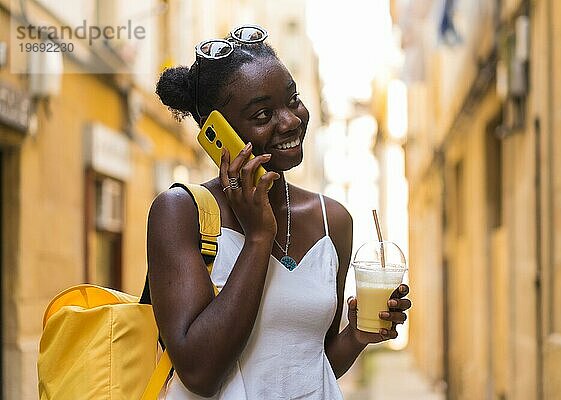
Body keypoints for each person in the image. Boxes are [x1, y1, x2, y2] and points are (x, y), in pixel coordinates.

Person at [150, 25, 412, 399]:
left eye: (293, 100)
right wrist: (259, 238)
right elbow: (200, 372)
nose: (291, 120)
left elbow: (310, 365)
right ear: (218, 133)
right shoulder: (180, 212)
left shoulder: (332, 220)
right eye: (262, 114)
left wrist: (356, 335)